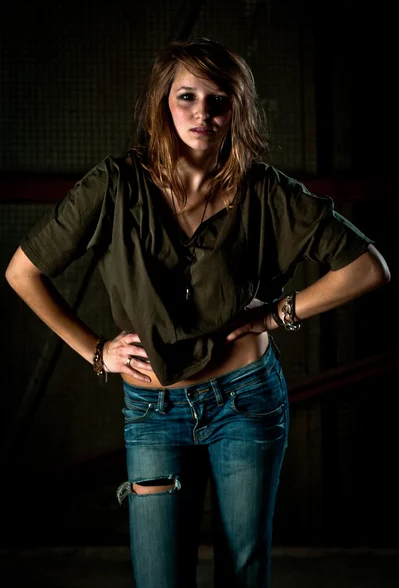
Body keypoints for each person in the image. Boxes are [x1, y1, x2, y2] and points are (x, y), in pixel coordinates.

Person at [5, 37, 390, 588]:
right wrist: (96, 350)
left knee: (243, 573)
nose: (202, 113)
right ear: (163, 101)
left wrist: (278, 314)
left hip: (247, 401)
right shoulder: (115, 185)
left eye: (218, 100)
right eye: (186, 96)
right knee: (161, 579)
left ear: (238, 108)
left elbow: (368, 267)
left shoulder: (265, 190)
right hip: (154, 412)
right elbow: (22, 272)